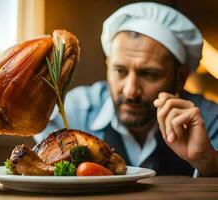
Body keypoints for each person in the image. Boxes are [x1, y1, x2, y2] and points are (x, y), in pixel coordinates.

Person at [34, 2, 218, 176]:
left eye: (148, 74)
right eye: (120, 71)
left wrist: (207, 161)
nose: (130, 91)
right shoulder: (72, 111)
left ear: (180, 78)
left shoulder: (208, 120)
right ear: (108, 65)